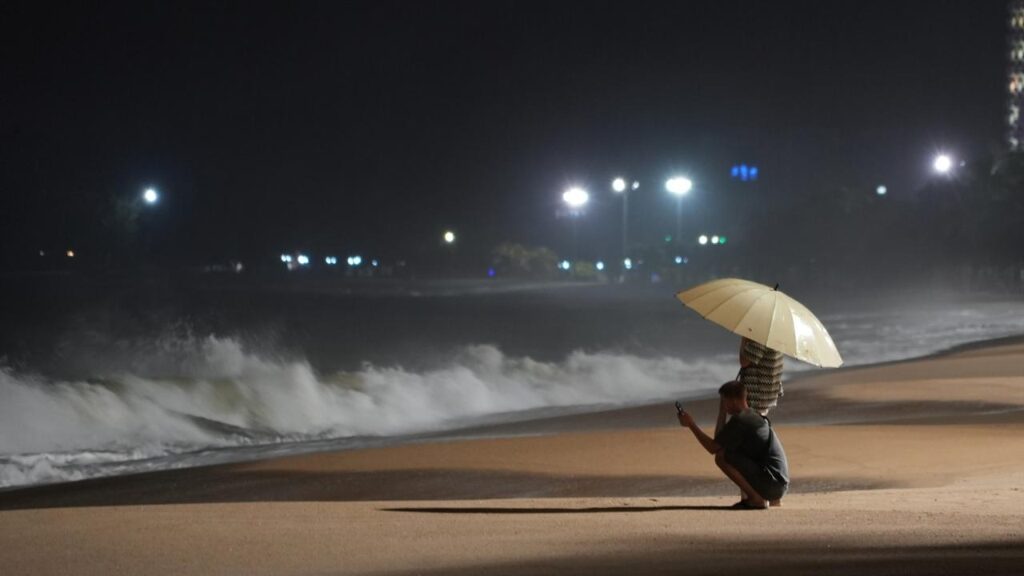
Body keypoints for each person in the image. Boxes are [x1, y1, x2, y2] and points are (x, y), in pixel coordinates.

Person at [677, 380, 789, 510]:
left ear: (733, 400)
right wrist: (722, 412)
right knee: (729, 451)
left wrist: (691, 424)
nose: (723, 404)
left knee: (722, 457)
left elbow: (713, 448)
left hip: (773, 485)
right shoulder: (751, 414)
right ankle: (762, 497)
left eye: (724, 401)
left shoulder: (741, 421)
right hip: (778, 484)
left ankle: (756, 499)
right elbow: (719, 440)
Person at [739, 336, 784, 415]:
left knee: (750, 422)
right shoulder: (776, 336)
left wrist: (744, 339)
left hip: (756, 394)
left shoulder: (761, 337)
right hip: (767, 392)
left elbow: (744, 361)